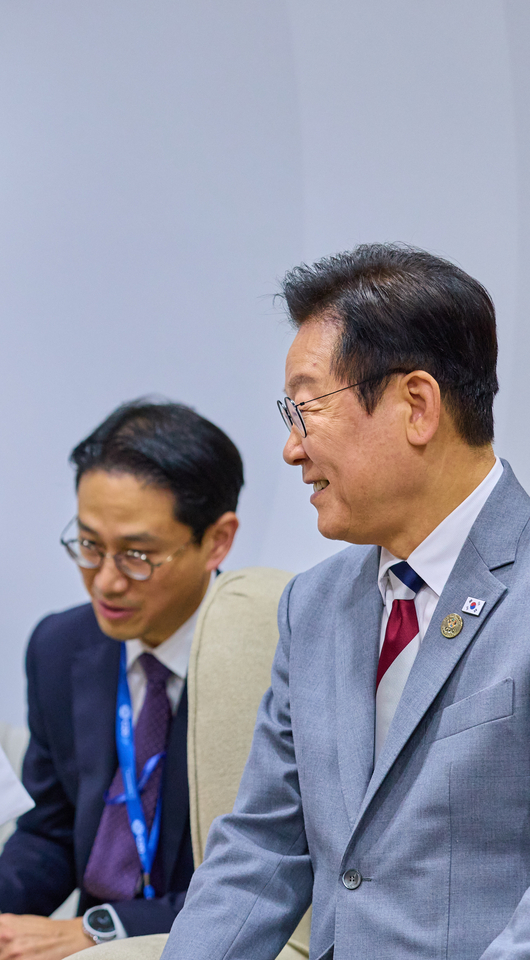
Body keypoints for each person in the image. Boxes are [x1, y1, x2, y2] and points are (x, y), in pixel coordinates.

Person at [162, 244, 528, 959]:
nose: (290, 450)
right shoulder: (314, 606)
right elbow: (263, 850)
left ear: (415, 406)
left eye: (304, 409)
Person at [0, 400, 244, 959]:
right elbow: (53, 829)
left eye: (138, 555)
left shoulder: (268, 663)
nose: (105, 582)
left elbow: (266, 879)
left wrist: (99, 930)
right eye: (89, 545)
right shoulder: (62, 647)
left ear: (217, 541)